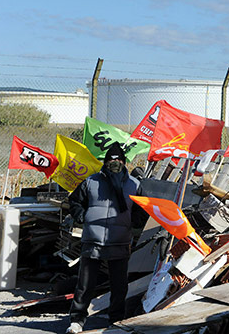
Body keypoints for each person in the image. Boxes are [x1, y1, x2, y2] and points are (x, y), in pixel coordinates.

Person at [65, 143, 147, 334]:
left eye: (119, 159)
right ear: (105, 162)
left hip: (119, 241)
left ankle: (116, 320)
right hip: (92, 241)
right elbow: (75, 201)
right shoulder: (91, 182)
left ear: (124, 162)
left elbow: (142, 210)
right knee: (85, 284)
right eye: (111, 159)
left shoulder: (134, 185)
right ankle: (77, 320)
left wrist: (133, 223)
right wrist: (82, 216)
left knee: (119, 286)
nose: (115, 162)